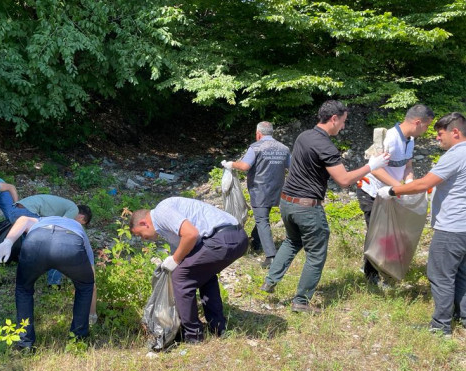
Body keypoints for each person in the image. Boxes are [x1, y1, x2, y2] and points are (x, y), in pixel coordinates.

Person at [259, 100, 390, 313]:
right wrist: (370, 166)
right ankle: (301, 301)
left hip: (287, 202)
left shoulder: (304, 136)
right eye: (343, 122)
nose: (344, 127)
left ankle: (270, 281)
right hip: (306, 207)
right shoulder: (325, 145)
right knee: (316, 253)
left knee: (292, 241)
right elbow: (344, 180)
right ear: (334, 118)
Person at [377, 112, 466, 335]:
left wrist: (392, 190)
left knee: (440, 275)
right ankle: (462, 317)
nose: (437, 138)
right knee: (462, 274)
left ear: (455, 132)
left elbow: (424, 183)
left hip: (452, 227)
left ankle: (440, 326)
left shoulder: (456, 154)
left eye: (440, 134)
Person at [129, 197, 249, 343]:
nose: (143, 239)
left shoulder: (161, 213)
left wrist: (175, 260)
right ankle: (218, 328)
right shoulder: (164, 227)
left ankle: (193, 335)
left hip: (223, 238)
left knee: (180, 278)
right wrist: (174, 260)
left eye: (140, 234)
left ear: (144, 223)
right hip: (235, 238)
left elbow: (191, 234)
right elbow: (187, 248)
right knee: (203, 275)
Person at [357, 104, 434, 285]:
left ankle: (384, 270)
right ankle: (371, 274)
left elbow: (407, 165)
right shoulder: (389, 138)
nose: (427, 130)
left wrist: (408, 183)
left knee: (393, 233)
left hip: (392, 193)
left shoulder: (410, 140)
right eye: (427, 125)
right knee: (377, 233)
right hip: (372, 191)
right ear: (417, 122)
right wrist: (400, 187)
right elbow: (375, 169)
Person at [0, 215, 96, 350]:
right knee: (85, 286)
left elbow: (23, 219)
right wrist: (92, 314)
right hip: (70, 243)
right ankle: (79, 339)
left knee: (23, 289)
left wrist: (8, 241)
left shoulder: (39, 220)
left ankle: (25, 343)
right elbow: (91, 277)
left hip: (36, 243)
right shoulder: (77, 226)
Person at [222, 121, 290, 268]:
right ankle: (256, 242)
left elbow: (245, 166)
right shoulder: (283, 148)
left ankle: (271, 257)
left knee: (262, 220)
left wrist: (232, 164)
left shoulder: (256, 147)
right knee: (262, 218)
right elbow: (290, 167)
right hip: (277, 189)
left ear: (258, 133)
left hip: (260, 189)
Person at [9, 194, 92, 287]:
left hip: (15, 211)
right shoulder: (74, 209)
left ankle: (24, 278)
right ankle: (53, 283)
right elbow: (62, 229)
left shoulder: (63, 208)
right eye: (81, 224)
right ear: (81, 218)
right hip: (27, 212)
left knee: (30, 249)